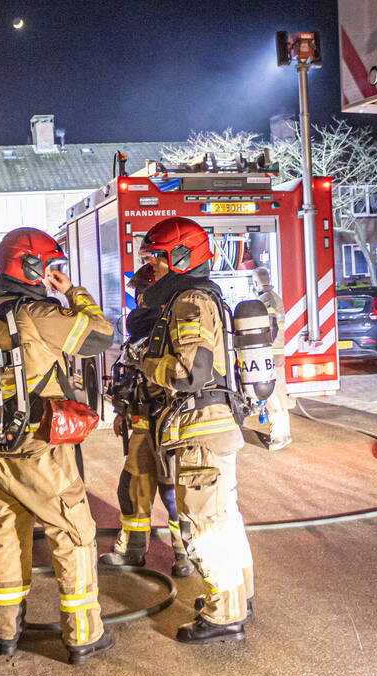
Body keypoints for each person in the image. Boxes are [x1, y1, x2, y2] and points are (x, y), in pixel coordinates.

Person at [0, 228, 114, 664]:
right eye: (48, 264)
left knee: (4, 535)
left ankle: (3, 633)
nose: (52, 271)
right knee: (73, 533)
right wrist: (74, 292)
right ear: (30, 266)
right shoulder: (35, 312)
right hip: (38, 445)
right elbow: (101, 336)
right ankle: (83, 636)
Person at [135, 217, 253, 644]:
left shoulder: (189, 303)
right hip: (212, 427)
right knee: (223, 520)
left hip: (199, 430)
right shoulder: (197, 298)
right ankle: (239, 597)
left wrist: (144, 362)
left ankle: (224, 614)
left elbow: (189, 372)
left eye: (158, 260)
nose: (152, 269)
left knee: (204, 525)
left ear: (183, 257)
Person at [100, 264, 194, 578]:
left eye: (141, 291)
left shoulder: (174, 325)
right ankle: (132, 549)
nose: (138, 298)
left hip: (169, 421)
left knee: (173, 490)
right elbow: (129, 373)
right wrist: (121, 412)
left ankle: (185, 553)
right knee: (134, 485)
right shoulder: (143, 327)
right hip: (142, 419)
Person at [253, 266, 294, 450]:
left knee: (273, 397)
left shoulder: (265, 300)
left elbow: (270, 328)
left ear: (255, 282)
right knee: (278, 394)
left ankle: (279, 436)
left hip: (270, 355)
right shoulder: (275, 297)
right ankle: (283, 433)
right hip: (277, 354)